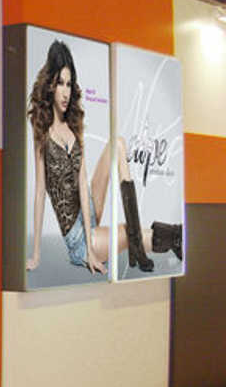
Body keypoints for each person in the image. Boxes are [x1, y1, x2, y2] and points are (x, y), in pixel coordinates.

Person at [26, 40, 182, 275]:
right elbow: (40, 192)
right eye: (60, 83)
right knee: (130, 232)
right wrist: (38, 255)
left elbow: (82, 183)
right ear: (50, 85)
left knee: (117, 143)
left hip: (88, 209)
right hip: (79, 240)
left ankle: (153, 244)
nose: (66, 92)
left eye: (69, 84)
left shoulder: (74, 124)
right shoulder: (41, 130)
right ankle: (174, 238)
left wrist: (91, 230)